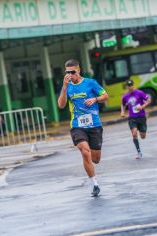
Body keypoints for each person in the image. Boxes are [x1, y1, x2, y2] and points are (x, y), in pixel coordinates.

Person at [57, 59, 108, 197]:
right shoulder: (67, 86)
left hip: (94, 124)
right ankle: (95, 184)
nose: (70, 75)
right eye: (67, 72)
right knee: (85, 152)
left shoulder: (90, 83)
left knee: (96, 159)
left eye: (72, 72)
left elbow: (105, 95)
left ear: (78, 70)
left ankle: (91, 164)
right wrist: (64, 87)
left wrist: (95, 99)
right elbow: (61, 105)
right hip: (77, 125)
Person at [121, 80, 151, 159]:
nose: (130, 87)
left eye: (131, 85)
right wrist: (123, 112)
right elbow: (123, 104)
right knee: (134, 134)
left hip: (141, 117)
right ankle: (139, 152)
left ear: (133, 85)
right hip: (132, 118)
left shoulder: (139, 93)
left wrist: (142, 107)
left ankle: (143, 131)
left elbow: (148, 100)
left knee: (143, 136)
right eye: (128, 85)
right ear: (126, 87)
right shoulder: (125, 96)